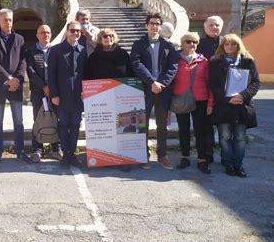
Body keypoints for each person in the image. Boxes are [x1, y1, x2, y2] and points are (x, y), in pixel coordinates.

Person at [130, 13, 178, 170]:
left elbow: (173, 67)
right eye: (151, 23)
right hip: (145, 90)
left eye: (157, 23)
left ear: (160, 26)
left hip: (163, 91)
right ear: (146, 25)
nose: (154, 26)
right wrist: (151, 82)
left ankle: (162, 155)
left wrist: (161, 84)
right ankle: (143, 154)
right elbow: (136, 64)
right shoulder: (138, 44)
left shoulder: (168, 46)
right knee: (141, 124)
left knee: (162, 125)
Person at [209, 34, 260, 178]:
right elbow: (213, 84)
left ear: (238, 45)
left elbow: (255, 82)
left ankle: (238, 164)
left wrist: (242, 96)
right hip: (224, 106)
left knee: (239, 137)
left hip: (242, 106)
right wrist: (227, 99)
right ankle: (228, 163)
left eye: (233, 44)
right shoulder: (215, 62)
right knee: (224, 137)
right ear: (222, 46)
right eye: (227, 44)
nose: (230, 47)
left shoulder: (248, 61)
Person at [84, 27, 134, 171]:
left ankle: (123, 159)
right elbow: (88, 76)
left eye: (111, 36)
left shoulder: (123, 54)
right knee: (104, 129)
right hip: (101, 99)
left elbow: (131, 74)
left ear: (114, 38)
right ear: (100, 39)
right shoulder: (94, 56)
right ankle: (103, 159)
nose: (108, 39)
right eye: (105, 36)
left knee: (122, 127)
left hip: (121, 97)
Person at [0, 9, 30, 164]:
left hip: (15, 86)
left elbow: (23, 61)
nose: (8, 22)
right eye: (5, 20)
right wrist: (7, 78)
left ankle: (20, 151)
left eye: (10, 20)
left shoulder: (19, 39)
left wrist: (17, 79)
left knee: (18, 120)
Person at [172, 32, 213, 174]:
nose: (192, 44)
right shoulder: (175, 60)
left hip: (200, 99)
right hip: (181, 98)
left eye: (194, 42)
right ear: (182, 44)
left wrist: (210, 102)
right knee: (183, 130)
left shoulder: (204, 61)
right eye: (188, 41)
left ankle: (202, 159)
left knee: (200, 130)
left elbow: (210, 82)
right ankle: (185, 157)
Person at [48, 21, 87, 167]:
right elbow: (51, 75)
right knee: (63, 125)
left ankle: (72, 154)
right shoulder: (56, 50)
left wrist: (86, 91)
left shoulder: (83, 50)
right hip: (62, 95)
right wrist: (54, 94)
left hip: (78, 96)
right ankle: (65, 154)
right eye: (72, 31)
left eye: (78, 31)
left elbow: (85, 73)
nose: (75, 33)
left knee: (75, 125)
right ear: (67, 31)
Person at [26, 24, 62, 163]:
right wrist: (44, 86)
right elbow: (30, 70)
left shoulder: (56, 50)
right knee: (38, 120)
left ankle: (56, 149)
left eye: (48, 32)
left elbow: (59, 70)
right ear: (37, 35)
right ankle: (37, 150)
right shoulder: (31, 51)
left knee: (56, 119)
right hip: (38, 92)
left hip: (55, 92)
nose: (45, 35)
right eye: (42, 33)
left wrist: (52, 88)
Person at [197, 15, 224, 163]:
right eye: (211, 25)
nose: (214, 28)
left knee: (224, 126)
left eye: (217, 25)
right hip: (206, 91)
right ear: (205, 28)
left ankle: (227, 157)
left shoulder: (227, 42)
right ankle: (208, 155)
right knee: (206, 125)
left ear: (221, 27)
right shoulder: (199, 44)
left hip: (225, 91)